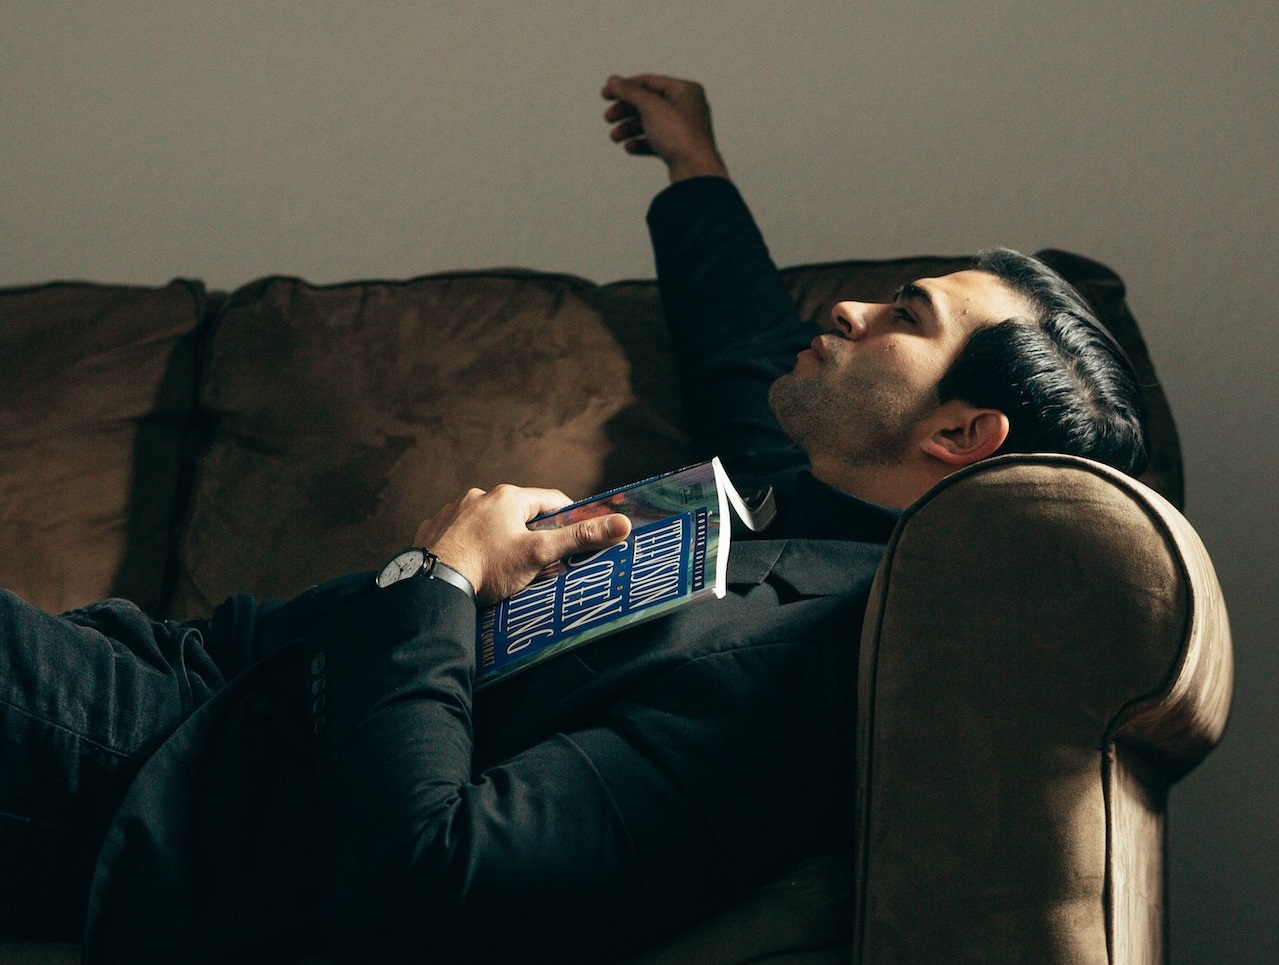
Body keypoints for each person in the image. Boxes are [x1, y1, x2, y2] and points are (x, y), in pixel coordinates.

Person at [0, 75, 1147, 964]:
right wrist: (693, 165)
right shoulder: (806, 528)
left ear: (958, 436)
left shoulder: (801, 669)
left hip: (168, 776)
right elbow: (747, 356)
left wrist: (437, 579)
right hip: (178, 668)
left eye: (906, 313)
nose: (846, 306)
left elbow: (432, 878)